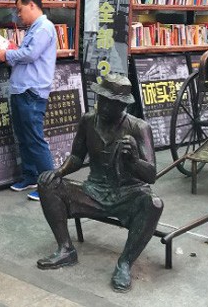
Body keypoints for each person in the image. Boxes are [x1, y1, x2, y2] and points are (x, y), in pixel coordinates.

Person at [36, 73, 162, 293]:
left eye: (110, 103)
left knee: (153, 204)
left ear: (122, 106)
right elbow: (77, 156)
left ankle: (124, 263)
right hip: (92, 191)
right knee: (47, 184)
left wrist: (133, 160)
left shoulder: (139, 128)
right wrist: (59, 171)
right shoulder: (88, 120)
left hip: (127, 194)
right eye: (101, 99)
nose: (102, 106)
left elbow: (151, 175)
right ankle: (65, 249)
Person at [0, 0, 57, 201]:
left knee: (35, 139)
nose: (19, 15)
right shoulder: (34, 29)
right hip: (22, 89)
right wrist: (12, 52)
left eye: (20, 10)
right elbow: (27, 54)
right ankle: (30, 176)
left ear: (32, 6)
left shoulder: (44, 28)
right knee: (24, 137)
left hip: (32, 91)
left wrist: (8, 54)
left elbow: (30, 54)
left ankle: (50, 185)